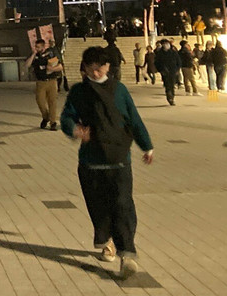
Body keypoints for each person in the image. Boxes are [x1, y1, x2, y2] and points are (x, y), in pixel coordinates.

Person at [60, 45, 154, 281]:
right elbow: (66, 117)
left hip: (119, 159)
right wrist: (75, 129)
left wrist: (147, 145)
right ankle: (108, 242)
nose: (95, 72)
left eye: (100, 67)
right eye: (90, 69)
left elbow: (134, 119)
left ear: (108, 67)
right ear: (85, 69)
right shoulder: (79, 92)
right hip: (91, 161)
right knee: (99, 207)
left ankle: (128, 255)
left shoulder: (120, 90)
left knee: (123, 205)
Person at [26, 38, 61, 130]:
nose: (36, 48)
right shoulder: (35, 55)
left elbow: (60, 66)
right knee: (40, 101)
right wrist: (33, 54)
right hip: (40, 82)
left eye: (38, 47)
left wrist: (51, 69)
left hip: (52, 81)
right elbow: (27, 65)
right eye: (35, 47)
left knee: (52, 102)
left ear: (43, 46)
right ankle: (46, 117)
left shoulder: (50, 54)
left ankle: (53, 122)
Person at [154, 39, 181, 105]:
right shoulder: (160, 54)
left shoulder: (173, 52)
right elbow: (156, 63)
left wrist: (178, 69)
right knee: (167, 85)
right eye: (165, 43)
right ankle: (169, 97)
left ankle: (172, 97)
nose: (166, 45)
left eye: (167, 43)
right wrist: (160, 70)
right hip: (165, 72)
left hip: (173, 71)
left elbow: (179, 61)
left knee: (172, 85)